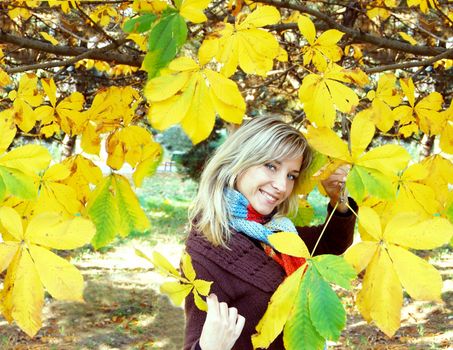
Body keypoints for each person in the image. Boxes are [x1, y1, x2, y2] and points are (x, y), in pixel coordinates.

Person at [183, 116, 357, 350]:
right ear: (239, 162)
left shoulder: (273, 230)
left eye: (291, 175)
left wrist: (339, 199)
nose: (281, 186)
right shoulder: (206, 252)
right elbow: (196, 340)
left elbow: (330, 244)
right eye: (271, 166)